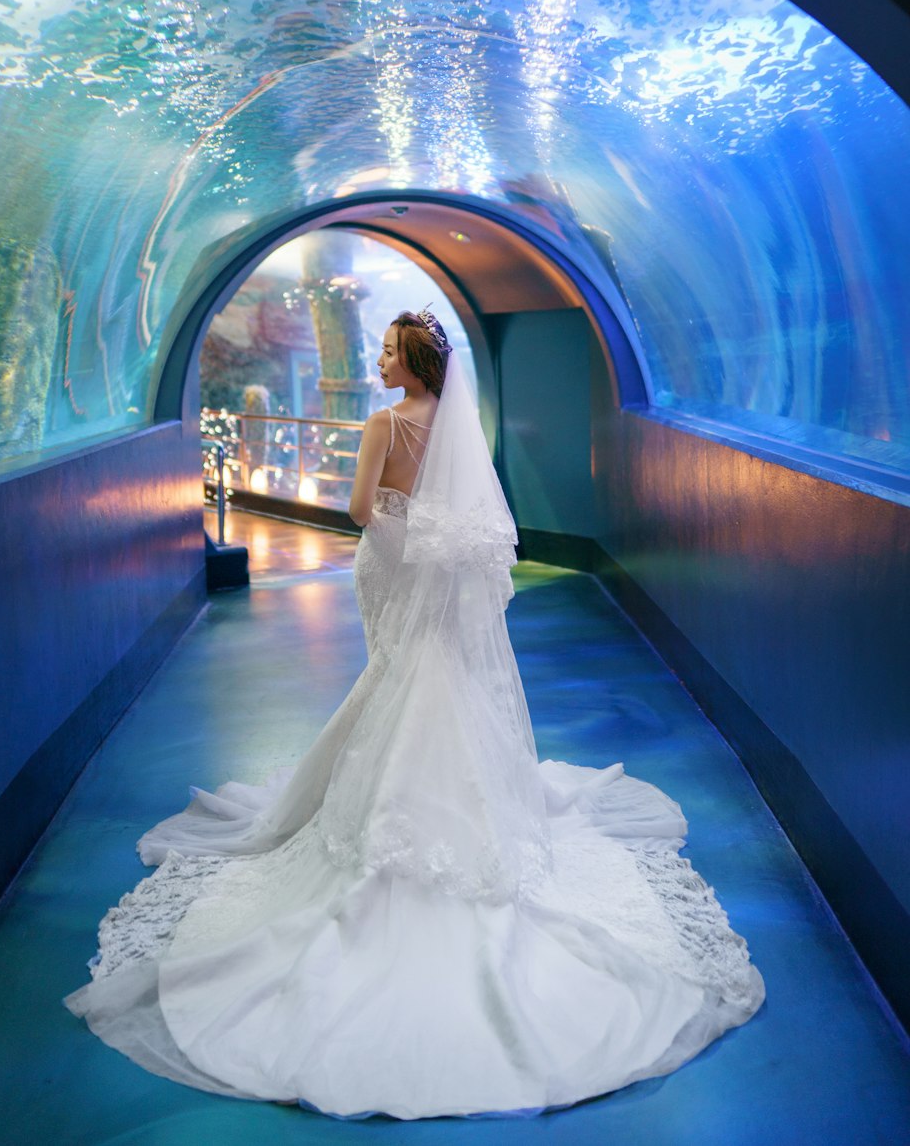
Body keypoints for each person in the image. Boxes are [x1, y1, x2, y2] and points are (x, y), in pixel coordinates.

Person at [65, 309, 764, 1119]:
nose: (379, 359)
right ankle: (470, 813)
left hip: (392, 571)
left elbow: (363, 510)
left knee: (396, 678)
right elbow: (478, 523)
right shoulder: (459, 425)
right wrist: (434, 537)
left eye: (390, 351)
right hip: (442, 581)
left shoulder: (385, 424)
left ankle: (384, 826)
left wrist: (399, 520)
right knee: (446, 684)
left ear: (416, 363)